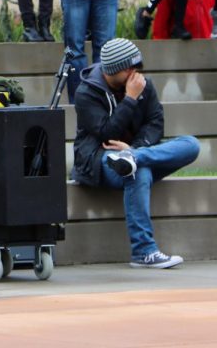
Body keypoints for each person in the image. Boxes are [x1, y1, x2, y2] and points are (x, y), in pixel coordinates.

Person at [72, 38, 200, 268]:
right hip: (99, 160)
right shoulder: (87, 93)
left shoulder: (143, 85)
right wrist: (130, 99)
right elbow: (105, 133)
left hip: (136, 153)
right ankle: (144, 252)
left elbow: (156, 123)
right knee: (137, 172)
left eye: (137, 67)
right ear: (113, 70)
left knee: (191, 144)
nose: (136, 73)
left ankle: (134, 158)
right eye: (130, 68)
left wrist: (135, 150)